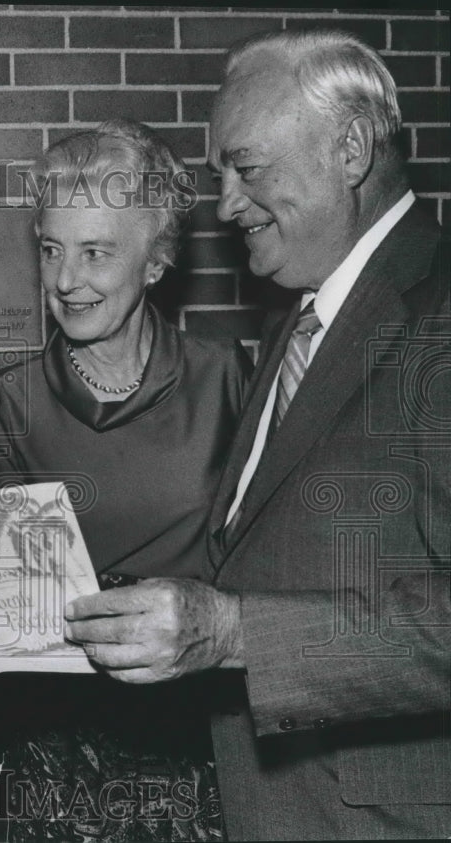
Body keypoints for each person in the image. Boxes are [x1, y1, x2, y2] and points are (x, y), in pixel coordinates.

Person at [65, 29, 451, 841]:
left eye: (249, 169)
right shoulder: (301, 315)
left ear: (350, 148)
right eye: (221, 177)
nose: (229, 204)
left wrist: (234, 632)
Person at [0, 119, 252, 840]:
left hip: (199, 744)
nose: (66, 280)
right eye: (53, 249)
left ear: (156, 261)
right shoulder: (11, 399)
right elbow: (6, 603)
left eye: (96, 252)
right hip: (55, 754)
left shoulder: (228, 378)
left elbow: (259, 564)